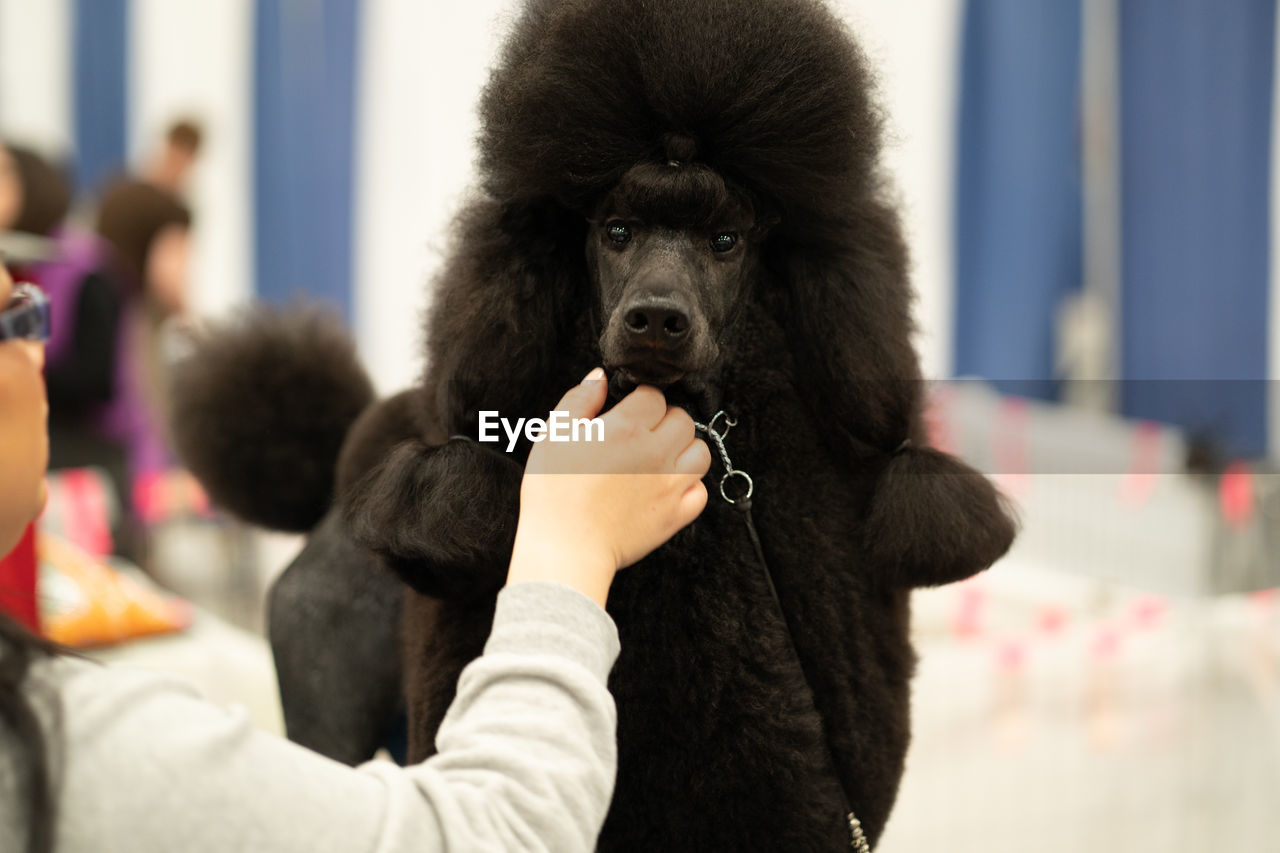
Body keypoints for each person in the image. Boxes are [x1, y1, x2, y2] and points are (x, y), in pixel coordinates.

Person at [0, 259, 712, 853]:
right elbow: (493, 832)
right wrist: (569, 544)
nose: (37, 349)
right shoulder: (65, 748)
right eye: (13, 321)